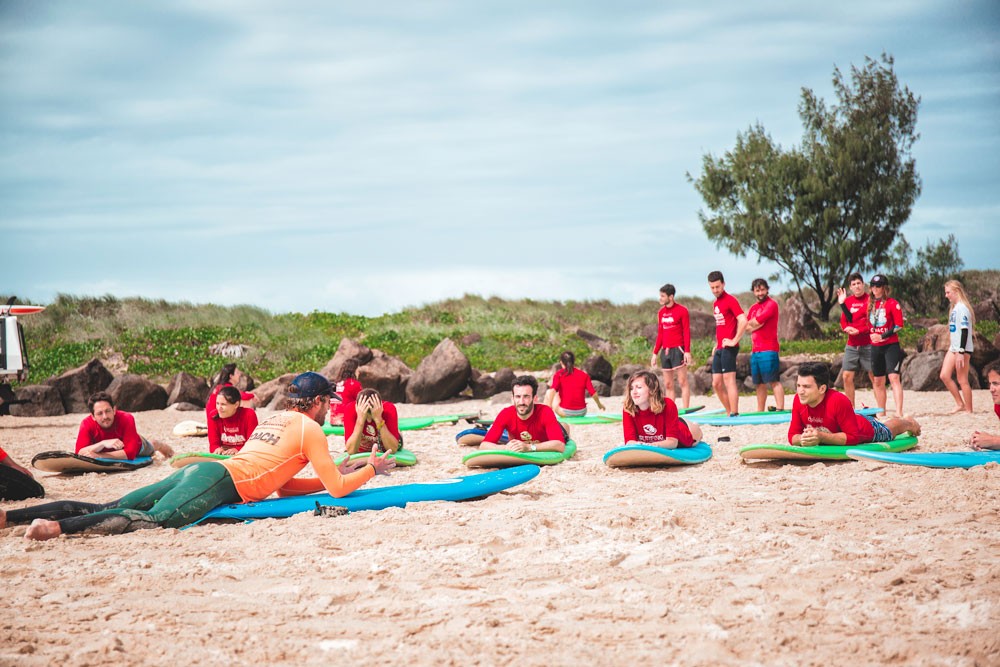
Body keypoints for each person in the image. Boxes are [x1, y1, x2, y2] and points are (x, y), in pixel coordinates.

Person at [1, 372, 394, 540]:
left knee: (113, 502)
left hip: (211, 470)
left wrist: (335, 472)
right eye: (329, 403)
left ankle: (9, 517)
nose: (330, 410)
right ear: (321, 402)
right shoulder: (312, 429)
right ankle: (54, 529)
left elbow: (284, 487)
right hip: (220, 482)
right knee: (153, 520)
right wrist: (371, 469)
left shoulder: (276, 419)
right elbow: (339, 491)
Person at [788, 362, 920, 447]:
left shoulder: (838, 401)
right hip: (845, 420)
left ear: (822, 389)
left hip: (864, 428)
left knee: (888, 430)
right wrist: (803, 438)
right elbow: (792, 436)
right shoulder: (798, 400)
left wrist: (821, 437)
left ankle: (908, 423)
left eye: (806, 386)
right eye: (798, 385)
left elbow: (853, 437)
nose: (800, 391)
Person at [75, 391, 173, 460]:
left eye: (108, 411)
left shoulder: (126, 418)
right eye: (100, 413)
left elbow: (130, 454)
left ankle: (163, 448)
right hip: (105, 449)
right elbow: (78, 453)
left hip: (136, 446)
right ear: (92, 416)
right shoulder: (86, 424)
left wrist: (99, 455)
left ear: (114, 410)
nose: (105, 416)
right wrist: (103, 443)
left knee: (153, 445)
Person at [481, 375, 566, 453]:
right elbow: (484, 445)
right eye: (518, 397)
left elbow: (560, 445)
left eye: (526, 396)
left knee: (564, 428)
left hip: (548, 436)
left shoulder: (545, 412)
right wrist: (505, 448)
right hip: (523, 440)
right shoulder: (505, 414)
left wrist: (529, 447)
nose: (521, 402)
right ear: (512, 399)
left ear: (535, 398)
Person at [623, 370, 703, 448]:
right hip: (664, 428)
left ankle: (694, 425)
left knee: (696, 435)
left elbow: (673, 442)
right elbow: (629, 441)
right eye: (631, 388)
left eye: (639, 387)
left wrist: (650, 445)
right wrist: (640, 445)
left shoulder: (668, 404)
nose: (634, 392)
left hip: (682, 435)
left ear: (652, 390)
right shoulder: (628, 408)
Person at [708, 270, 747, 417]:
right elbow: (722, 326)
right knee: (716, 383)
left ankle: (734, 413)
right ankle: (729, 411)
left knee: (728, 380)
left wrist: (735, 340)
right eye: (712, 287)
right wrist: (716, 344)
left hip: (729, 348)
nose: (715, 290)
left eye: (717, 287)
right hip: (719, 347)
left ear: (723, 284)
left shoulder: (730, 300)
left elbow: (743, 320)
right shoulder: (715, 303)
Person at [649, 283, 693, 409]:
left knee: (682, 381)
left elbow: (686, 332)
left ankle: (686, 409)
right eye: (660, 296)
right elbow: (660, 334)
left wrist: (687, 351)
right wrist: (655, 353)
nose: (660, 298)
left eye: (663, 296)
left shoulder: (682, 311)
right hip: (665, 351)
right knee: (668, 384)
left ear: (671, 297)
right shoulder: (661, 313)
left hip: (678, 349)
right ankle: (671, 411)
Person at [868, 274, 906, 417]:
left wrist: (882, 336)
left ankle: (899, 412)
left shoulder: (892, 303)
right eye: (873, 286)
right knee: (877, 380)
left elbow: (898, 326)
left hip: (890, 345)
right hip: (875, 346)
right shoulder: (869, 304)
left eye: (878, 286)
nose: (875, 289)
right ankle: (881, 412)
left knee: (894, 378)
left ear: (884, 288)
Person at [745, 278, 784, 412]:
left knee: (773, 381)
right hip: (755, 351)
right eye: (757, 290)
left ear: (767, 289)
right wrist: (756, 325)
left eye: (762, 289)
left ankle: (780, 408)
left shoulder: (771, 304)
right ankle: (760, 410)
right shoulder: (753, 308)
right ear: (754, 292)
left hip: (769, 349)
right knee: (759, 383)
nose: (760, 293)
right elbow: (747, 327)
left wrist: (755, 324)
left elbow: (758, 321)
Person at [836, 273, 876, 407]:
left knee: (874, 376)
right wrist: (847, 328)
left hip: (868, 344)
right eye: (854, 284)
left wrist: (860, 331)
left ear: (863, 284)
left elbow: (872, 323)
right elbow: (844, 321)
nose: (857, 286)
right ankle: (851, 407)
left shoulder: (870, 300)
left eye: (859, 283)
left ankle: (880, 406)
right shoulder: (847, 301)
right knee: (846, 376)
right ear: (850, 287)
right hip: (852, 344)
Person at [940, 279, 976, 414]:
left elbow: (965, 331)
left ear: (956, 291)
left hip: (962, 349)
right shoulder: (955, 308)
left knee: (962, 380)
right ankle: (959, 403)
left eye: (948, 292)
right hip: (953, 347)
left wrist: (961, 351)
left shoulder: (962, 308)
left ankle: (969, 410)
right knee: (944, 375)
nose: (946, 295)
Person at [545, 351, 605, 417]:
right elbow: (593, 393)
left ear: (561, 362)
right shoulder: (584, 375)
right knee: (557, 394)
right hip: (582, 412)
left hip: (566, 413)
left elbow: (552, 391)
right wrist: (599, 404)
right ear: (574, 362)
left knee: (549, 392)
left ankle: (545, 414)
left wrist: (549, 407)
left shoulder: (559, 374)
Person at [343, 388, 402, 454]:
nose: (369, 421)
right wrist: (360, 420)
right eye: (367, 417)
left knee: (398, 442)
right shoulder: (350, 409)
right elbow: (351, 451)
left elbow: (392, 450)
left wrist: (378, 419)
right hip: (363, 448)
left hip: (383, 446)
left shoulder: (388, 409)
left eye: (371, 417)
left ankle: (398, 433)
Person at [207, 386, 259, 454]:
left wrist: (238, 449)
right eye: (217, 403)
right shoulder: (213, 416)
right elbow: (213, 444)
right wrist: (217, 449)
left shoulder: (249, 414)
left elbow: (253, 443)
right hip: (224, 456)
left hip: (245, 455)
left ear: (236, 404)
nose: (219, 408)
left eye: (223, 404)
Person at [971, 363, 1000, 450]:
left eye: (995, 384)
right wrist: (980, 441)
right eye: (990, 384)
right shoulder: (998, 406)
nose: (991, 389)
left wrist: (993, 441)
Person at [329, 360, 363, 426]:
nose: (359, 372)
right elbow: (362, 402)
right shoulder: (353, 384)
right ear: (353, 371)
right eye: (357, 370)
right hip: (346, 421)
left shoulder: (335, 384)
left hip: (333, 421)